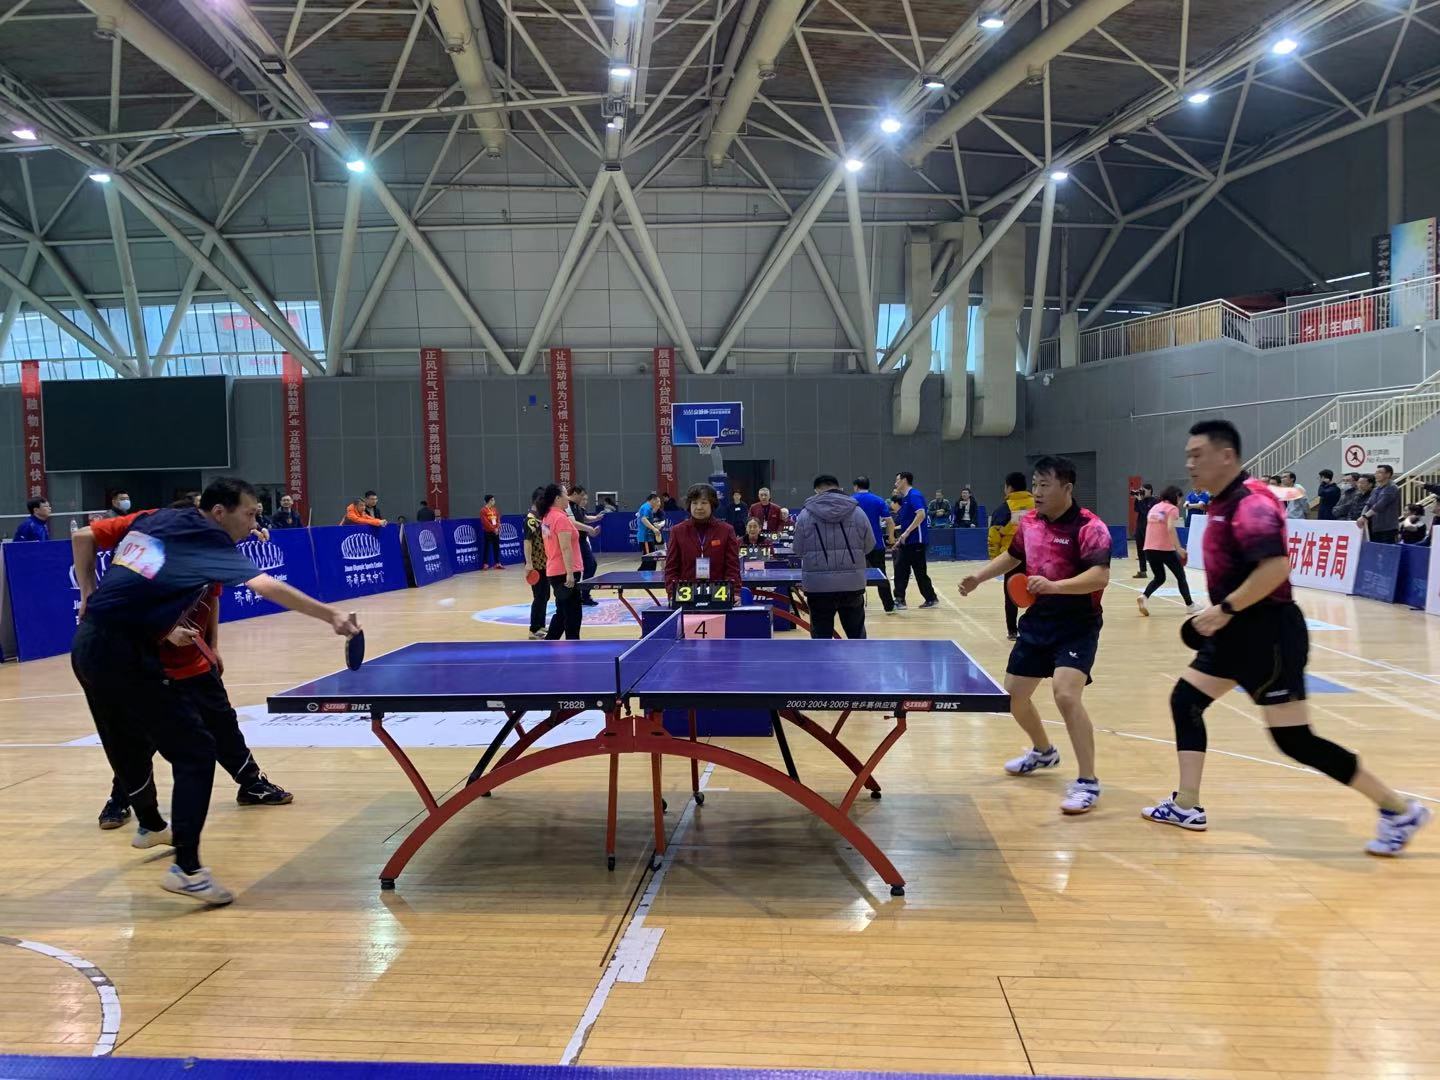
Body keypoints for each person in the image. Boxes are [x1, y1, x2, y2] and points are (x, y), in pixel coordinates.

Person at [1140, 419, 1430, 854]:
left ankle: (1397, 809)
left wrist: (1224, 608)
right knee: (1186, 701)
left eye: (1197, 455)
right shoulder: (1219, 503)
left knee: (1295, 740)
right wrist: (1220, 613)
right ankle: (1187, 804)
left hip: (1269, 635)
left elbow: (1275, 567)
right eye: (1188, 456)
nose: (1190, 464)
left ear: (1226, 456)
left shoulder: (1251, 504)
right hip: (1234, 632)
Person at [72, 478, 359, 905]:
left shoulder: (159, 519)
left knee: (128, 742)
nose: (255, 523)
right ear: (220, 512)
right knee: (196, 751)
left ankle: (150, 825)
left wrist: (88, 592)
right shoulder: (209, 538)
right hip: (122, 653)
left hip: (89, 646)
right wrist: (330, 615)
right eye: (250, 513)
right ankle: (187, 870)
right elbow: (265, 586)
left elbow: (88, 540)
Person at [81, 507, 293, 831]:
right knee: (140, 739)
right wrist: (166, 631)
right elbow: (134, 608)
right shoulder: (149, 556)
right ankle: (120, 799)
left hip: (195, 660)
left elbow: (212, 599)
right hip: (153, 664)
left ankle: (251, 783)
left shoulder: (211, 552)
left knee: (223, 723)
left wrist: (213, 645)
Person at [958, 456, 1112, 815]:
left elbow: (1099, 576)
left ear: (1067, 488)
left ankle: (1088, 781)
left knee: (1066, 695)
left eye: (1045, 485)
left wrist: (1056, 586)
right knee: (1013, 697)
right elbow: (1013, 556)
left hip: (1077, 624)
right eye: (1035, 484)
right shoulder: (1029, 522)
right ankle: (1044, 752)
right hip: (1038, 621)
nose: (1037, 492)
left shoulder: (1090, 527)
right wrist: (979, 577)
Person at [794, 475, 874, 639]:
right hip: (852, 585)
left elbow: (798, 550)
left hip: (818, 586)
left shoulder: (804, 515)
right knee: (857, 637)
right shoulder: (858, 512)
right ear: (838, 488)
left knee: (821, 639)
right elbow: (869, 545)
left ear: (817, 490)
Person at [663, 483, 740, 595]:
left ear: (712, 504)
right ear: (689, 505)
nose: (699, 507)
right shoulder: (677, 531)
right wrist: (672, 593)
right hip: (686, 596)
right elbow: (671, 568)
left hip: (719, 595)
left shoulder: (726, 530)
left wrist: (734, 592)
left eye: (704, 503)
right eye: (694, 503)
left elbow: (733, 567)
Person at [1137, 485, 1198, 615]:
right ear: (1175, 496)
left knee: (1159, 577)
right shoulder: (1172, 509)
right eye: (1180, 498)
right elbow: (1170, 528)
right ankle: (1190, 605)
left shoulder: (1155, 507)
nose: (1180, 502)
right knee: (1181, 577)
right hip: (1164, 549)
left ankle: (1144, 596)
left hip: (1149, 548)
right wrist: (1179, 548)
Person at [988, 471, 1035, 641]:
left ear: (1009, 487)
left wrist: (995, 561)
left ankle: (1012, 631)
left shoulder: (1003, 509)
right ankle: (1036, 626)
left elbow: (994, 536)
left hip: (1011, 559)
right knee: (1039, 592)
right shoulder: (1038, 505)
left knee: (1010, 595)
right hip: (1036, 557)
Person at [537, 484, 583, 640]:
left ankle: (549, 642)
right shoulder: (560, 518)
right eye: (565, 494)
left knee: (563, 612)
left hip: (554, 570)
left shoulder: (547, 517)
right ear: (557, 498)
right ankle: (573, 644)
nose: (568, 497)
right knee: (573, 613)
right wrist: (570, 574)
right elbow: (565, 547)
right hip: (565, 572)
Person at [891, 471, 938, 610]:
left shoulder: (914, 495)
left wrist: (906, 533)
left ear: (904, 480)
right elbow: (907, 521)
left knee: (918, 572)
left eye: (897, 480)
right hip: (908, 542)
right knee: (901, 570)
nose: (895, 483)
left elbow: (921, 514)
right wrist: (900, 539)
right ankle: (902, 599)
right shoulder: (905, 498)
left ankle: (929, 598)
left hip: (916, 541)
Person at [851, 476, 896, 615]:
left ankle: (853, 606)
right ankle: (889, 606)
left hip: (855, 545)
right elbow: (890, 522)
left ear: (856, 486)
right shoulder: (878, 500)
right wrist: (891, 538)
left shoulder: (850, 500)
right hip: (876, 544)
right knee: (881, 575)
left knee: (853, 575)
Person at [569, 484, 602, 606]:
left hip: (582, 541)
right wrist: (590, 529)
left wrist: (596, 518)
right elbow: (573, 523)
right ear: (575, 493)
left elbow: (585, 518)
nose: (583, 499)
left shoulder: (578, 507)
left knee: (591, 565)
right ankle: (578, 596)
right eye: (582, 496)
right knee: (577, 570)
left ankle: (584, 594)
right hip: (574, 542)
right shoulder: (567, 506)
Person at [524, 489, 549, 639]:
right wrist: (528, 563)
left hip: (544, 564)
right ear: (538, 500)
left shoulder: (540, 518)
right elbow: (527, 542)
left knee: (545, 596)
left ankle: (541, 625)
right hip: (536, 565)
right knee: (539, 596)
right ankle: (533, 629)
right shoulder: (531, 519)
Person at [1360, 463, 1400, 544]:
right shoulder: (1376, 489)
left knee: (1387, 550)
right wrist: (1362, 516)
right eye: (1376, 473)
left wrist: (1365, 516)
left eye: (1379, 473)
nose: (1376, 475)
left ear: (1388, 474)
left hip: (1388, 528)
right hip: (1376, 527)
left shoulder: (1392, 488)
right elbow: (1368, 504)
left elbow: (1380, 505)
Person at [1131, 484, 1156, 578]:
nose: (1142, 492)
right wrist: (1137, 499)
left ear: (1149, 490)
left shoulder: (1154, 501)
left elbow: (1146, 512)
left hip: (1149, 528)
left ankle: (1157, 571)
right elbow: (1136, 509)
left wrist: (1140, 501)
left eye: (1143, 490)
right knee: (1140, 550)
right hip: (1140, 527)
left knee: (1150, 551)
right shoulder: (1141, 499)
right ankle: (1143, 571)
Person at [480, 495, 503, 569]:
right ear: (489, 501)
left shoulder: (495, 510)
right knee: (486, 548)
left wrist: (497, 527)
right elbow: (485, 522)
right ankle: (485, 564)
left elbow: (498, 519)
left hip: (496, 532)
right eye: (492, 500)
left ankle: (497, 563)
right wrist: (493, 529)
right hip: (488, 532)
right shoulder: (483, 510)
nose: (494, 501)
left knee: (496, 547)